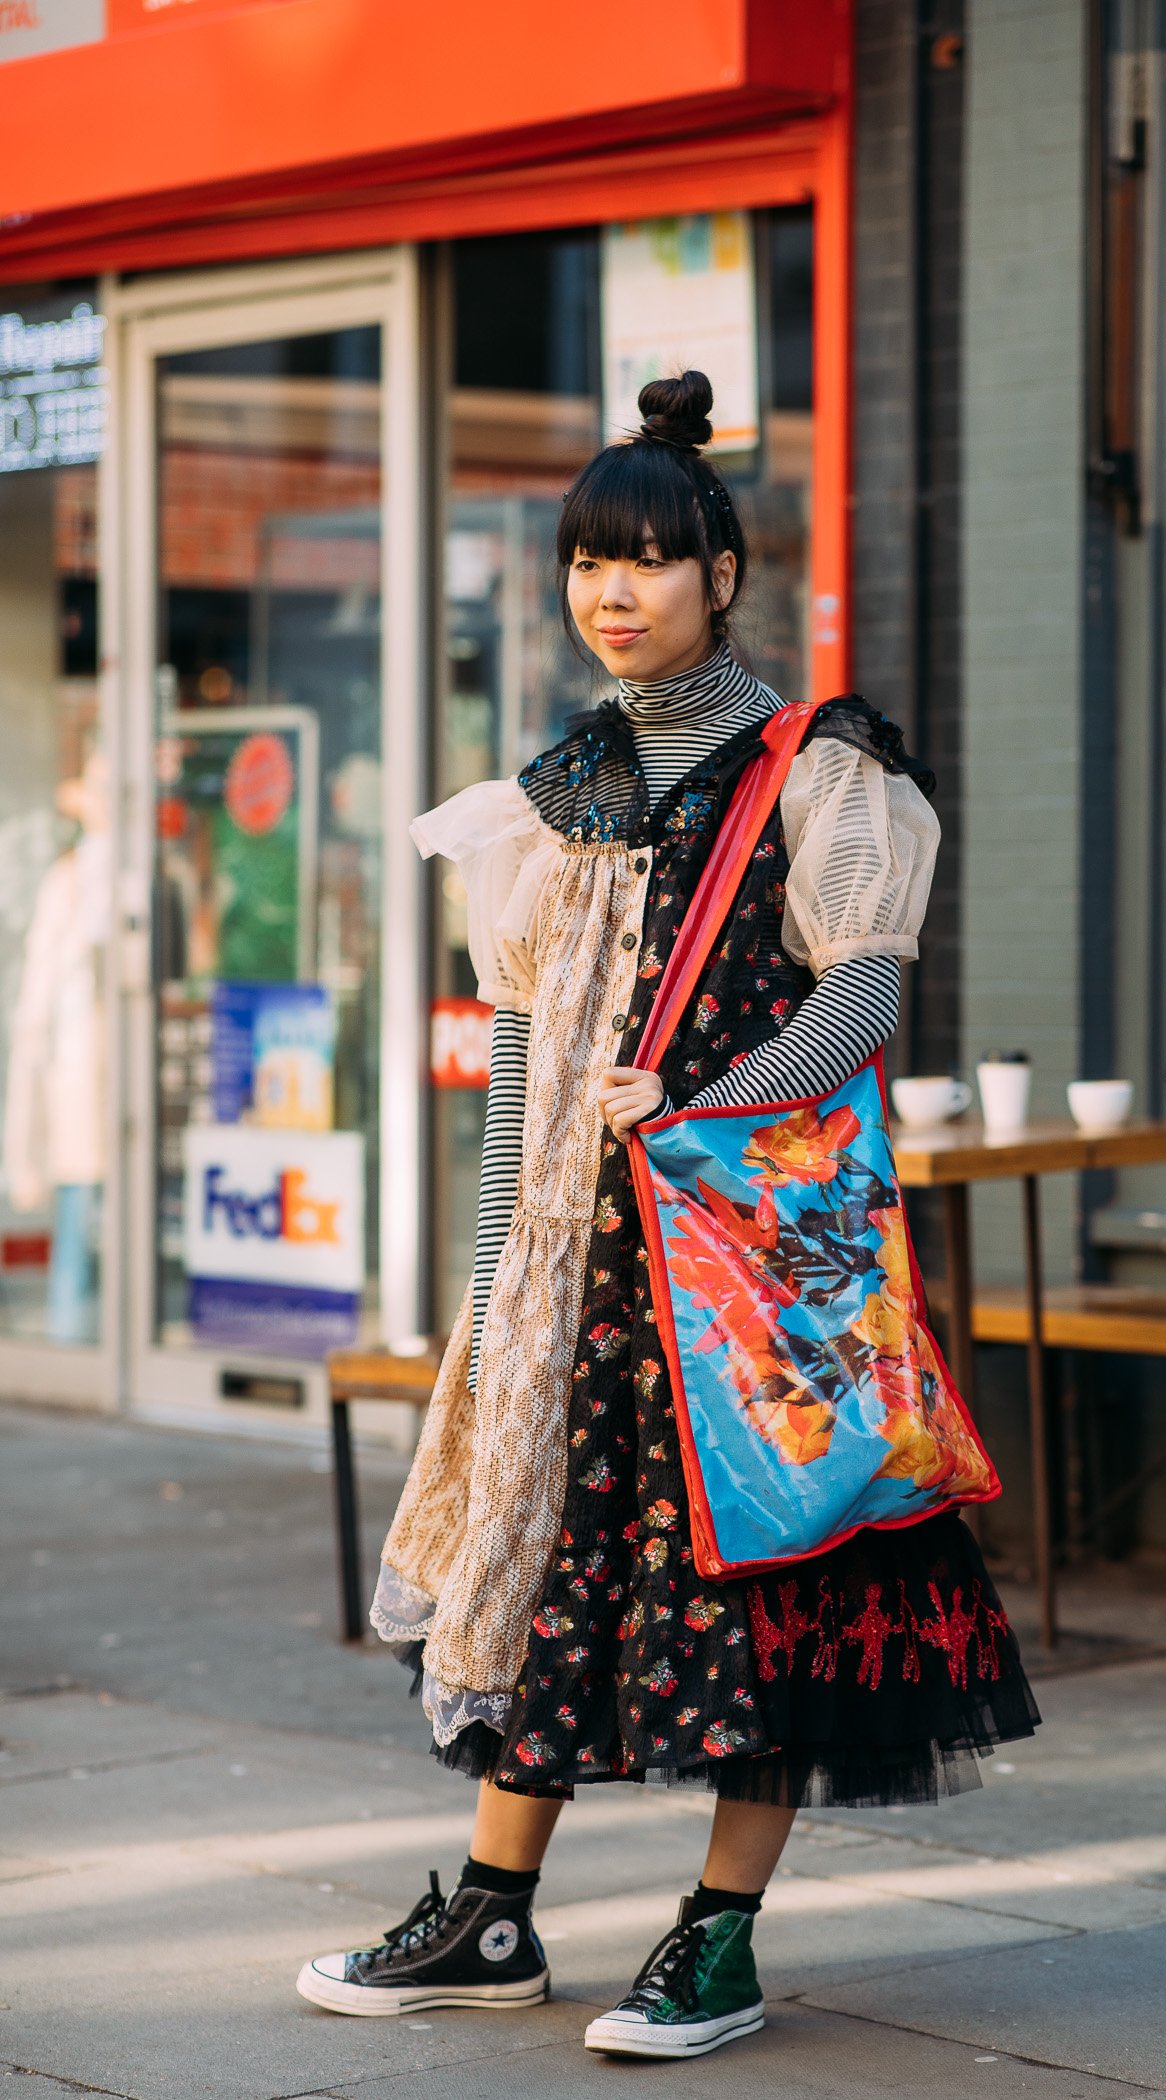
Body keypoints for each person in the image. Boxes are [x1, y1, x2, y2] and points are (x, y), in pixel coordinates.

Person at [296, 371, 1040, 2059]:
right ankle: (495, 1916)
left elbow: (866, 1000)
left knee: (762, 1593)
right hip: (581, 1280)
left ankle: (719, 1937)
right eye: (585, 564)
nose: (611, 594)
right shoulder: (549, 800)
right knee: (553, 1573)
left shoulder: (817, 766)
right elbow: (514, 1057)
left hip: (747, 1279)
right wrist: (490, 1285)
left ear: (722, 577)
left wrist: (711, 1106)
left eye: (647, 562)